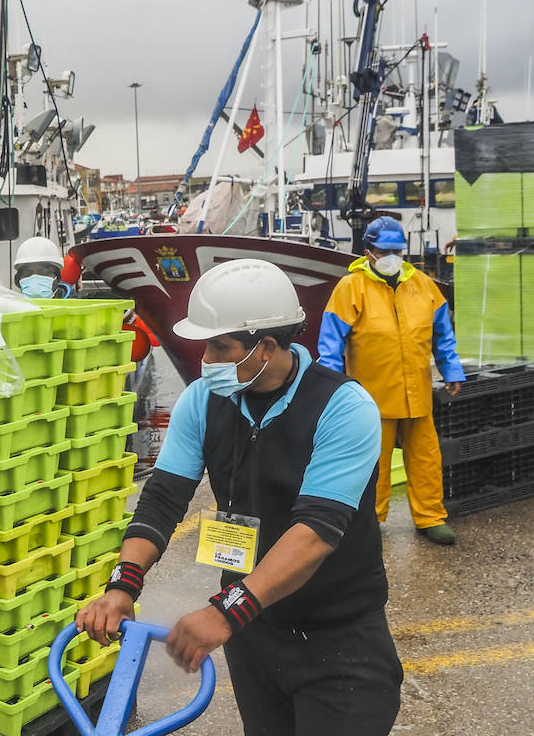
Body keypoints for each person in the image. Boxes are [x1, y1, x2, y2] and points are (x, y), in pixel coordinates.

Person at [77, 258, 402, 736]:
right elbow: (163, 499)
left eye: (219, 346)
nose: (205, 359)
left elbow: (315, 532)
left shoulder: (342, 407)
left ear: (266, 347)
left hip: (340, 644)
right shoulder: (203, 401)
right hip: (255, 639)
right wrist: (123, 585)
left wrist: (226, 611)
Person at [318, 216, 465, 545]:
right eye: (384, 250)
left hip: (418, 395)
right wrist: (330, 387)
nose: (391, 256)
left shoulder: (423, 285)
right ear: (368, 251)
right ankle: (370, 521)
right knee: (373, 465)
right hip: (372, 399)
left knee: (426, 459)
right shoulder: (350, 288)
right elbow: (330, 345)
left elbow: (442, 335)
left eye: (396, 250)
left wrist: (451, 370)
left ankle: (430, 517)